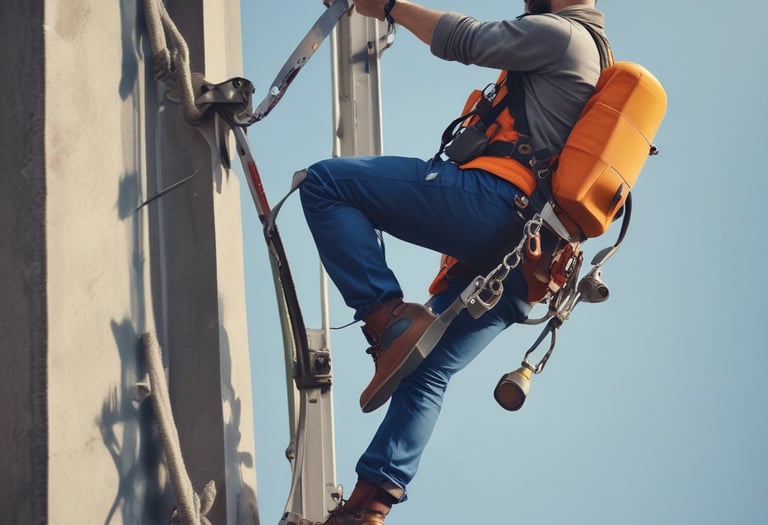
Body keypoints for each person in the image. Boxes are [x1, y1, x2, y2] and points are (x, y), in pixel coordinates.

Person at [298, 1, 608, 523]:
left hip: (496, 208)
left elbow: (464, 39)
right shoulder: (598, 59)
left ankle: (388, 320)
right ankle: (365, 510)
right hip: (535, 264)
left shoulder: (562, 36)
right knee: (425, 372)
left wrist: (390, 6)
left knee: (327, 184)